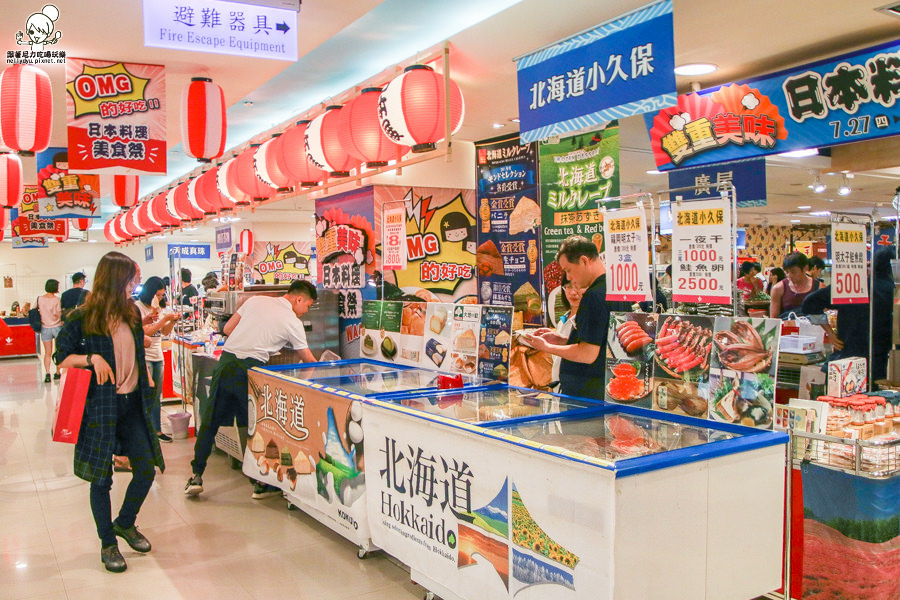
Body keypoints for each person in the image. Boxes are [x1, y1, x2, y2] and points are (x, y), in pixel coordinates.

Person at [54, 251, 164, 573]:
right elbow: (60, 358)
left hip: (132, 405)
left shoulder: (129, 311)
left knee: (145, 469)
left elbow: (135, 345)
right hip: (100, 407)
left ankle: (125, 522)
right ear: (117, 280)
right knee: (101, 480)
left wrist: (143, 370)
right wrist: (91, 360)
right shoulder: (82, 318)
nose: (136, 284)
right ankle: (108, 542)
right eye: (132, 278)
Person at [185, 280, 318, 499]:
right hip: (252, 370)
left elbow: (227, 329)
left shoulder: (255, 301)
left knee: (210, 421)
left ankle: (196, 476)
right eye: (308, 306)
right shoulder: (292, 322)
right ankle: (259, 484)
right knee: (254, 427)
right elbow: (308, 360)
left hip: (226, 364)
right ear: (299, 299)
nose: (306, 311)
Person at [525, 236, 609, 400]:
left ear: (584, 261)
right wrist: (562, 340)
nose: (568, 277)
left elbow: (588, 354)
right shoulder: (613, 288)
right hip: (603, 392)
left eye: (568, 270)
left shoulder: (593, 296)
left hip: (586, 396)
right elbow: (599, 342)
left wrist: (547, 347)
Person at [802, 247, 894, 381]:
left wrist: (830, 333)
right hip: (878, 365)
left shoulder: (851, 286)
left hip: (845, 362)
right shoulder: (893, 291)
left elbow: (809, 304)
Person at [136, 277, 179, 443]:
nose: (161, 298)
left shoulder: (159, 309)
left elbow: (164, 332)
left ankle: (157, 430)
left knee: (156, 397)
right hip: (144, 356)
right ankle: (145, 430)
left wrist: (172, 321)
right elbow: (146, 331)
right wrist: (164, 319)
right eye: (159, 295)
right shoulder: (138, 308)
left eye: (162, 296)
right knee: (146, 394)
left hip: (158, 356)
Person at [550, 274, 583, 391]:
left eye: (578, 287)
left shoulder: (586, 321)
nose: (573, 293)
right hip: (558, 387)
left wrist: (547, 347)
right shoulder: (562, 320)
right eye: (568, 287)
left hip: (576, 388)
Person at [770, 253, 816, 319]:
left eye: (793, 272)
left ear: (805, 268)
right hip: (787, 327)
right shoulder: (778, 289)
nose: (789, 275)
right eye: (786, 272)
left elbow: (824, 317)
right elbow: (774, 319)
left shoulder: (818, 287)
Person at [38, 278, 63, 382]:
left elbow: (34, 310)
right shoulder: (57, 300)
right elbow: (59, 314)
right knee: (58, 352)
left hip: (45, 328)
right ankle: (57, 373)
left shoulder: (39, 298)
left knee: (47, 353)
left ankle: (47, 374)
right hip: (57, 327)